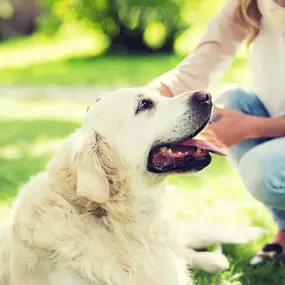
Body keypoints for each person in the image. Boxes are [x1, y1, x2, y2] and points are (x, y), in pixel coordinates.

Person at [149, 0, 285, 266]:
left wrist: (252, 126)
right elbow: (204, 60)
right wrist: (142, 97)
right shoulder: (250, 4)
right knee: (231, 102)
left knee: (263, 170)